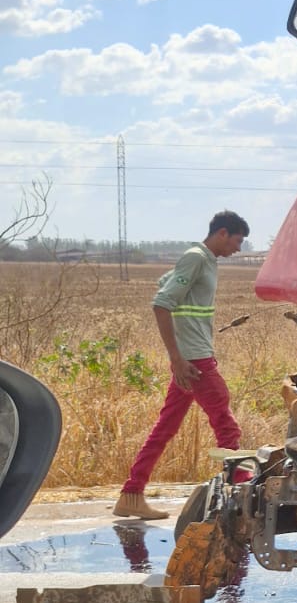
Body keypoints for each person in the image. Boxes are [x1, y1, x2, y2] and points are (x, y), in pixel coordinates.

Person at [114, 210, 250, 521]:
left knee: (166, 427)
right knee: (225, 422)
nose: (238, 249)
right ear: (222, 233)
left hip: (192, 357)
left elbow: (166, 284)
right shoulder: (196, 257)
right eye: (238, 241)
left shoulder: (204, 260)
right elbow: (162, 302)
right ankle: (239, 491)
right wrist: (177, 357)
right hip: (194, 361)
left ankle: (131, 493)